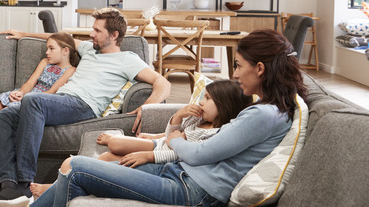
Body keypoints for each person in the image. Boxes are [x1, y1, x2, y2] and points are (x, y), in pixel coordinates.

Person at [31, 29, 307, 207]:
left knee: (78, 168)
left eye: (237, 66)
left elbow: (200, 154)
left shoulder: (264, 114)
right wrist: (174, 138)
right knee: (76, 173)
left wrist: (173, 140)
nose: (234, 74)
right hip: (180, 175)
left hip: (192, 190)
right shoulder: (269, 110)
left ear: (259, 69)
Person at [0, 7, 171, 206]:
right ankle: (7, 186)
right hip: (59, 101)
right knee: (4, 116)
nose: (91, 34)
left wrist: (148, 106)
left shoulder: (127, 59)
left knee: (33, 100)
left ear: (114, 35)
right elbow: (58, 37)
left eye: (98, 31)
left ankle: (24, 185)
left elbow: (163, 83)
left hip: (83, 105)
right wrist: (23, 34)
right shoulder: (88, 49)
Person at [29, 79, 252, 198]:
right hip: (172, 168)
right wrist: (178, 117)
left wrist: (153, 153)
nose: (201, 102)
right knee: (86, 164)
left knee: (75, 166)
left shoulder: (215, 133)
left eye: (209, 99)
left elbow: (181, 151)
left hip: (175, 170)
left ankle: (50, 189)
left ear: (225, 106)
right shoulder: (195, 121)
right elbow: (170, 137)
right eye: (203, 96)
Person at [0, 32, 80, 141]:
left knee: (14, 106)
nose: (47, 52)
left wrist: (27, 98)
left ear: (65, 51)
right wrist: (21, 93)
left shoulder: (71, 70)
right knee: (5, 97)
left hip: (41, 99)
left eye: (51, 48)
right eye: (47, 48)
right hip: (29, 93)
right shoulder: (45, 62)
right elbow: (30, 83)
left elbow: (51, 92)